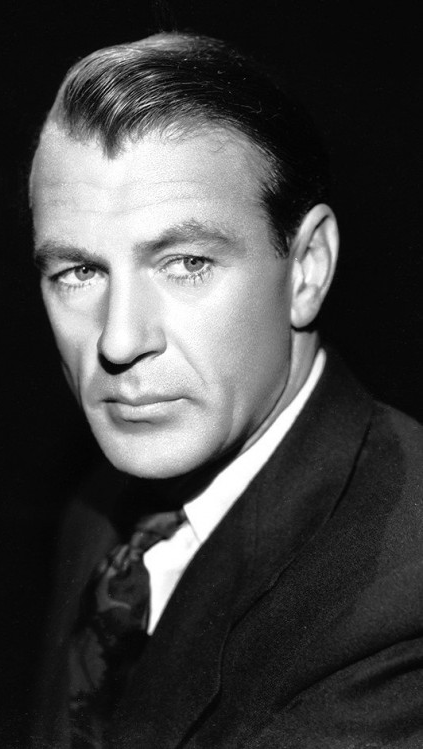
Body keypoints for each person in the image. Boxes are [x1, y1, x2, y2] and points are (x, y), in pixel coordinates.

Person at [29, 31, 423, 749]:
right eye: (79, 272)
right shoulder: (104, 506)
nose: (118, 340)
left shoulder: (401, 601)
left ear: (306, 268)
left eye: (185, 262)